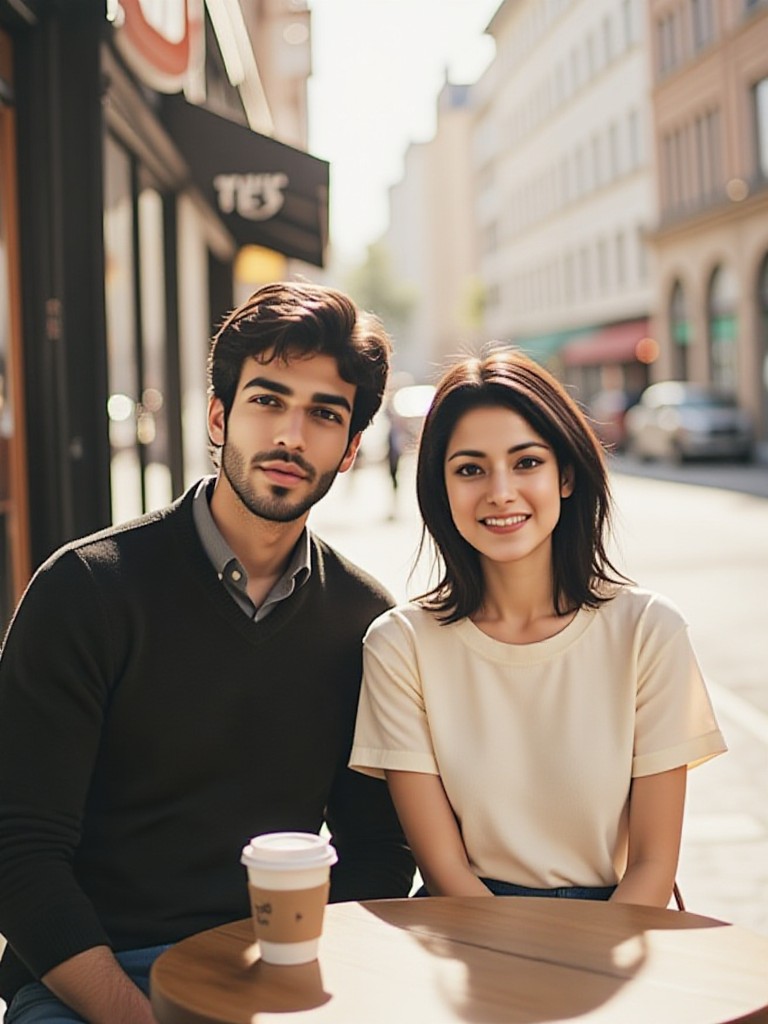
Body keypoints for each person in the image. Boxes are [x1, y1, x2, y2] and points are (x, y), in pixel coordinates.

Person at [0, 282, 415, 1024]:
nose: (292, 435)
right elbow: (18, 853)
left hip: (271, 971)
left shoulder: (366, 621)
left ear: (352, 449)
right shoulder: (86, 590)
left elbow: (379, 852)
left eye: (324, 414)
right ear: (220, 417)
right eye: (267, 400)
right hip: (92, 978)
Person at [350, 348, 726, 906]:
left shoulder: (648, 630)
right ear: (441, 488)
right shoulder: (400, 645)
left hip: (618, 928)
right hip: (466, 935)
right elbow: (446, 871)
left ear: (566, 475)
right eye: (470, 469)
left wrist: (589, 968)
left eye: (526, 462)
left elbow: (651, 867)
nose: (500, 491)